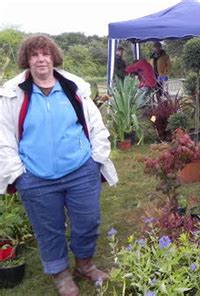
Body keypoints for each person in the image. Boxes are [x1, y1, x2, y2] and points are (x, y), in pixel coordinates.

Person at [0, 34, 119, 296]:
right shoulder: (13, 95)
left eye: (45, 53)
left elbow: (96, 125)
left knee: (87, 221)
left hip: (80, 171)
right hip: (36, 178)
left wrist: (95, 160)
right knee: (48, 229)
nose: (41, 59)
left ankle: (85, 265)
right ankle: (61, 274)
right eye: (34, 54)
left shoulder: (72, 88)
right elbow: (4, 138)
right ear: (27, 60)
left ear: (54, 57)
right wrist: (19, 176)